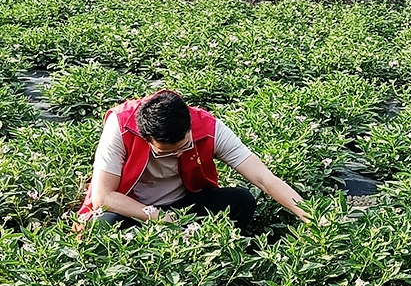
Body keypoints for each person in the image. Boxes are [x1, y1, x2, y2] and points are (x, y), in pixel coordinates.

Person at [76, 89, 309, 232]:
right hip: (133, 210)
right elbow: (104, 197)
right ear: (145, 138)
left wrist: (311, 217)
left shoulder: (209, 128)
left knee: (241, 201)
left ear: (189, 126)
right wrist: (158, 217)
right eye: (166, 152)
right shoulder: (120, 126)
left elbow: (263, 178)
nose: (178, 155)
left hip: (184, 206)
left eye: (184, 146)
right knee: (103, 226)